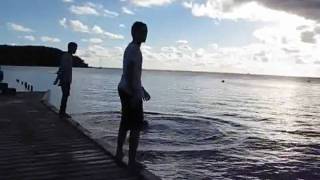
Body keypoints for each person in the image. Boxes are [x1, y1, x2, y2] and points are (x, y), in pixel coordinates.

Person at [116, 21, 150, 170]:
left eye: (146, 31)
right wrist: (134, 95)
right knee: (136, 127)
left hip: (125, 88)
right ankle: (131, 161)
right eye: (142, 31)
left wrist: (141, 89)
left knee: (125, 123)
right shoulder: (134, 49)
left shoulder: (132, 48)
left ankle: (119, 153)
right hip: (128, 91)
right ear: (134, 32)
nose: (145, 34)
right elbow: (130, 71)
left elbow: (134, 74)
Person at [54, 42, 77, 118]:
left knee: (66, 95)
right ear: (70, 48)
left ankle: (62, 112)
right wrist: (57, 79)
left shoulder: (70, 56)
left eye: (76, 48)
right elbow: (62, 68)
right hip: (64, 79)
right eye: (75, 48)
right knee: (65, 95)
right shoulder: (66, 56)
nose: (75, 50)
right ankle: (62, 112)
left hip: (67, 79)